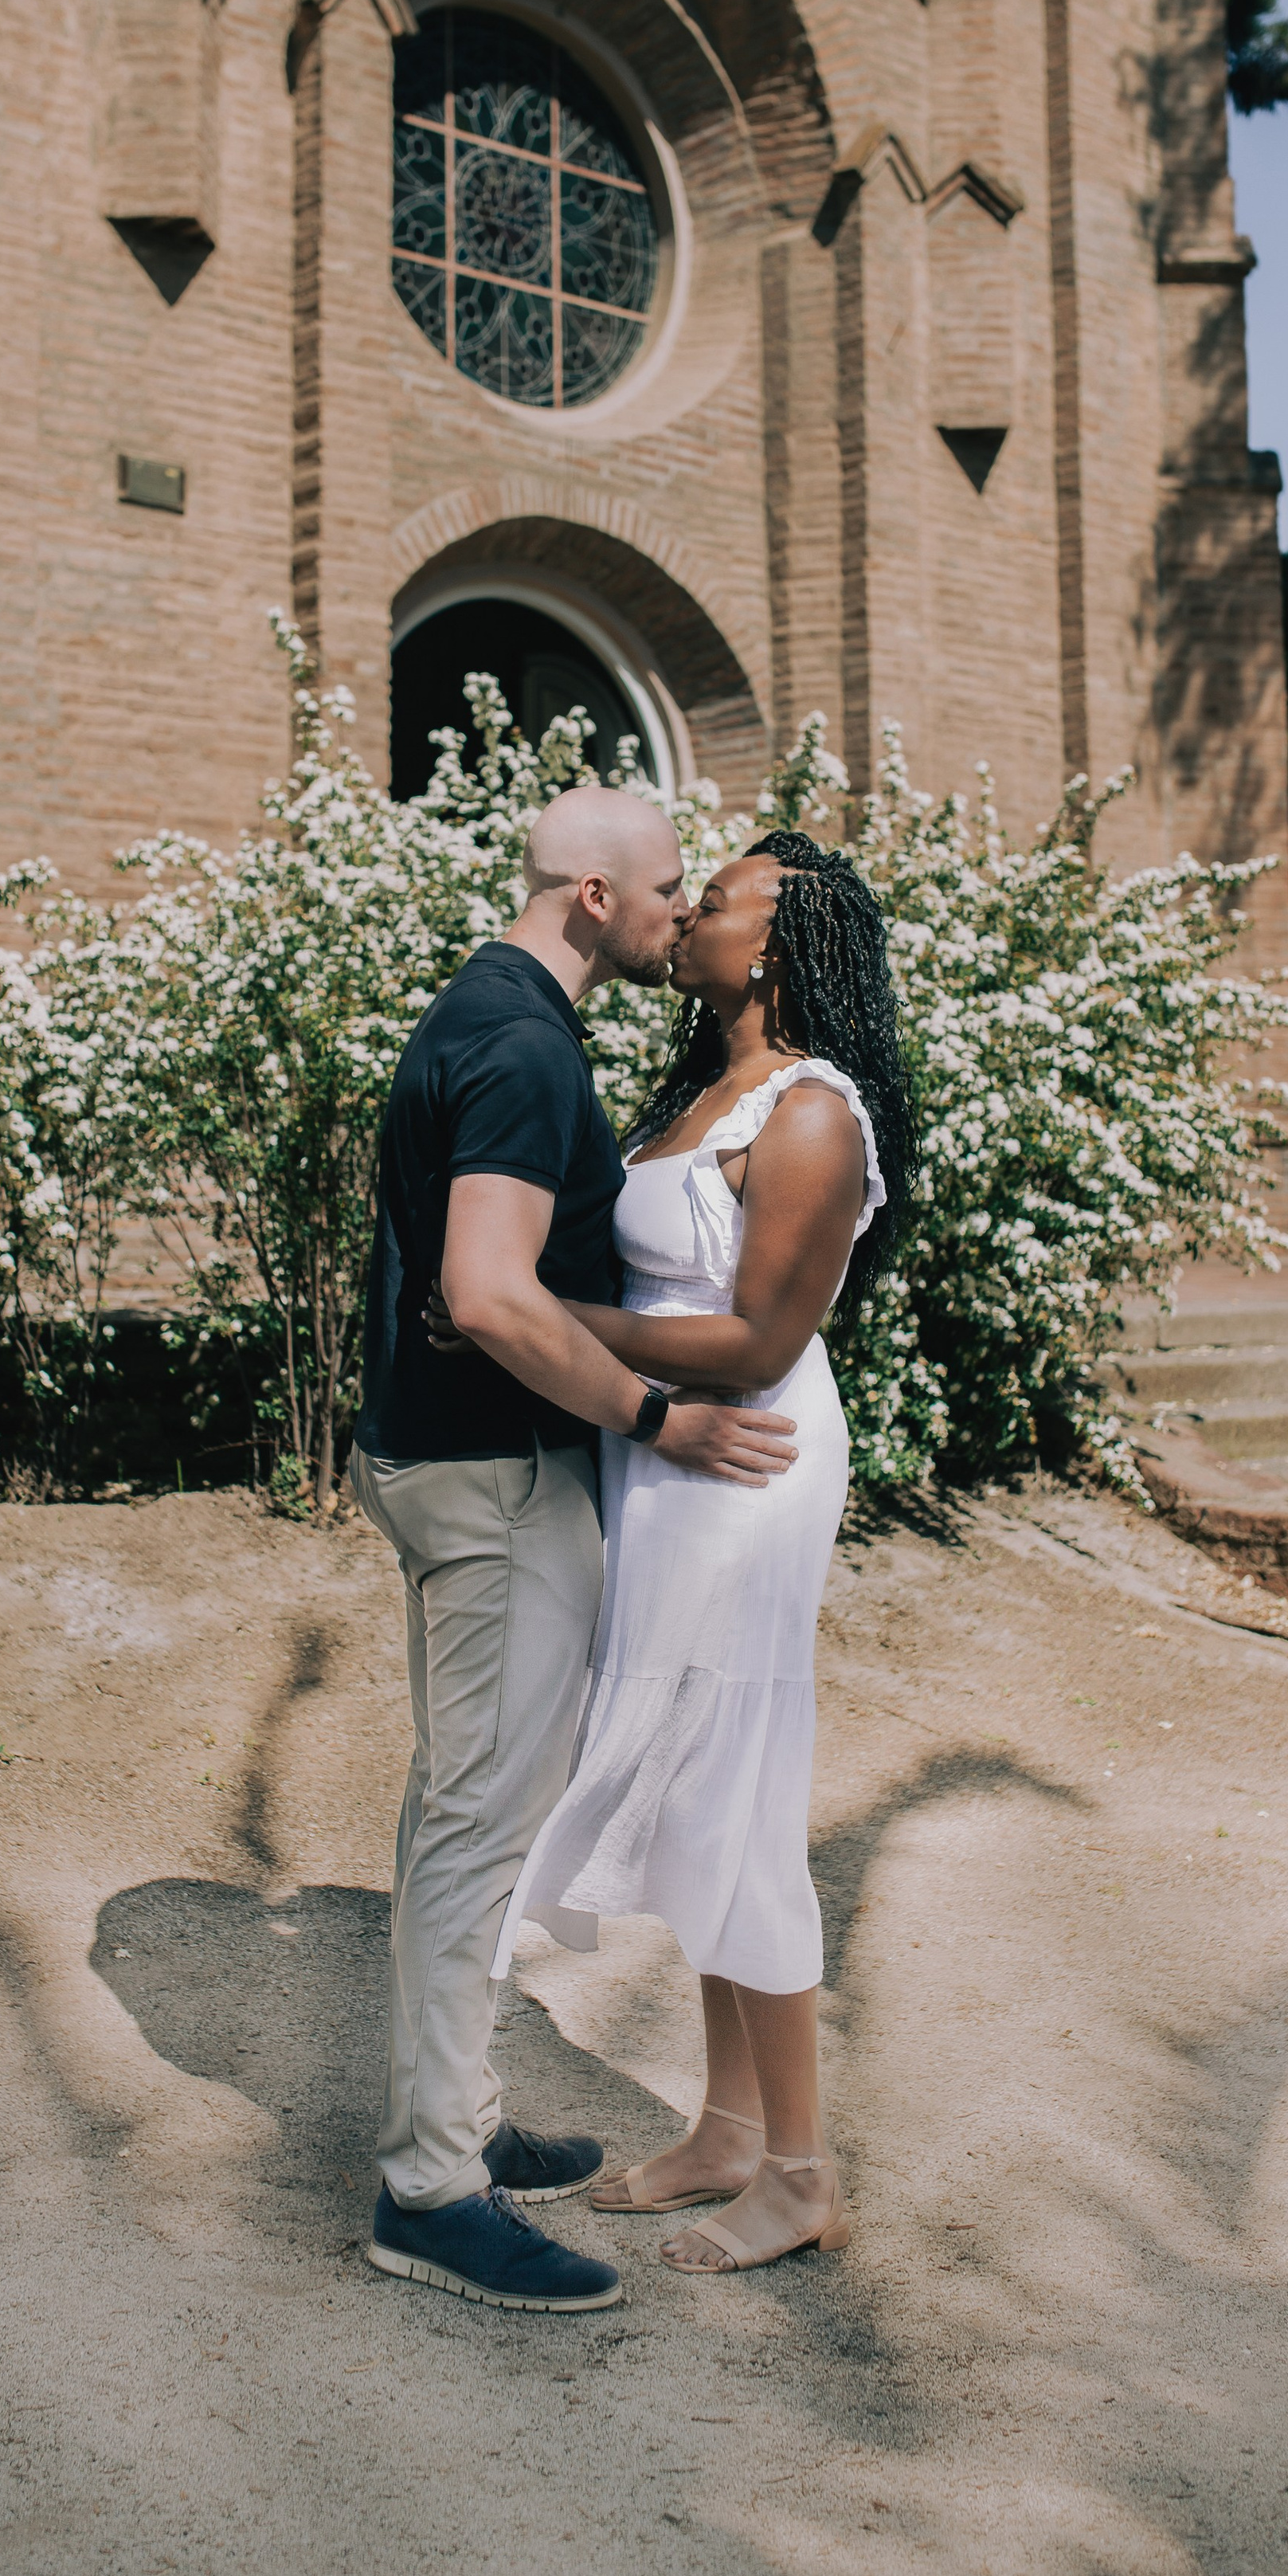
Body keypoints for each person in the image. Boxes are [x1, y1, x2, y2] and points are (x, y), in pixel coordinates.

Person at [350, 786, 801, 2316]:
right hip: (488, 1479)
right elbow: (487, 1289)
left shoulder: (473, 1010)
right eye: (670, 887)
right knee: (478, 1824)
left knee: (459, 1809)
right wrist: (654, 1416)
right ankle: (429, 2191)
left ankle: (459, 2120)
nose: (683, 911)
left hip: (440, 1460)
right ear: (596, 897)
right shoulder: (533, 1045)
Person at [488, 829, 912, 2275]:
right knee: (687, 1794)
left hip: (747, 1459)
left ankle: (800, 2172)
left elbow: (758, 1339)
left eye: (714, 901)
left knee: (736, 1785)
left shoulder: (809, 1113)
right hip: (664, 1450)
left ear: (780, 942)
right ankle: (728, 2128)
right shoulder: (703, 1093)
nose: (686, 917)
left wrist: (553, 1330)